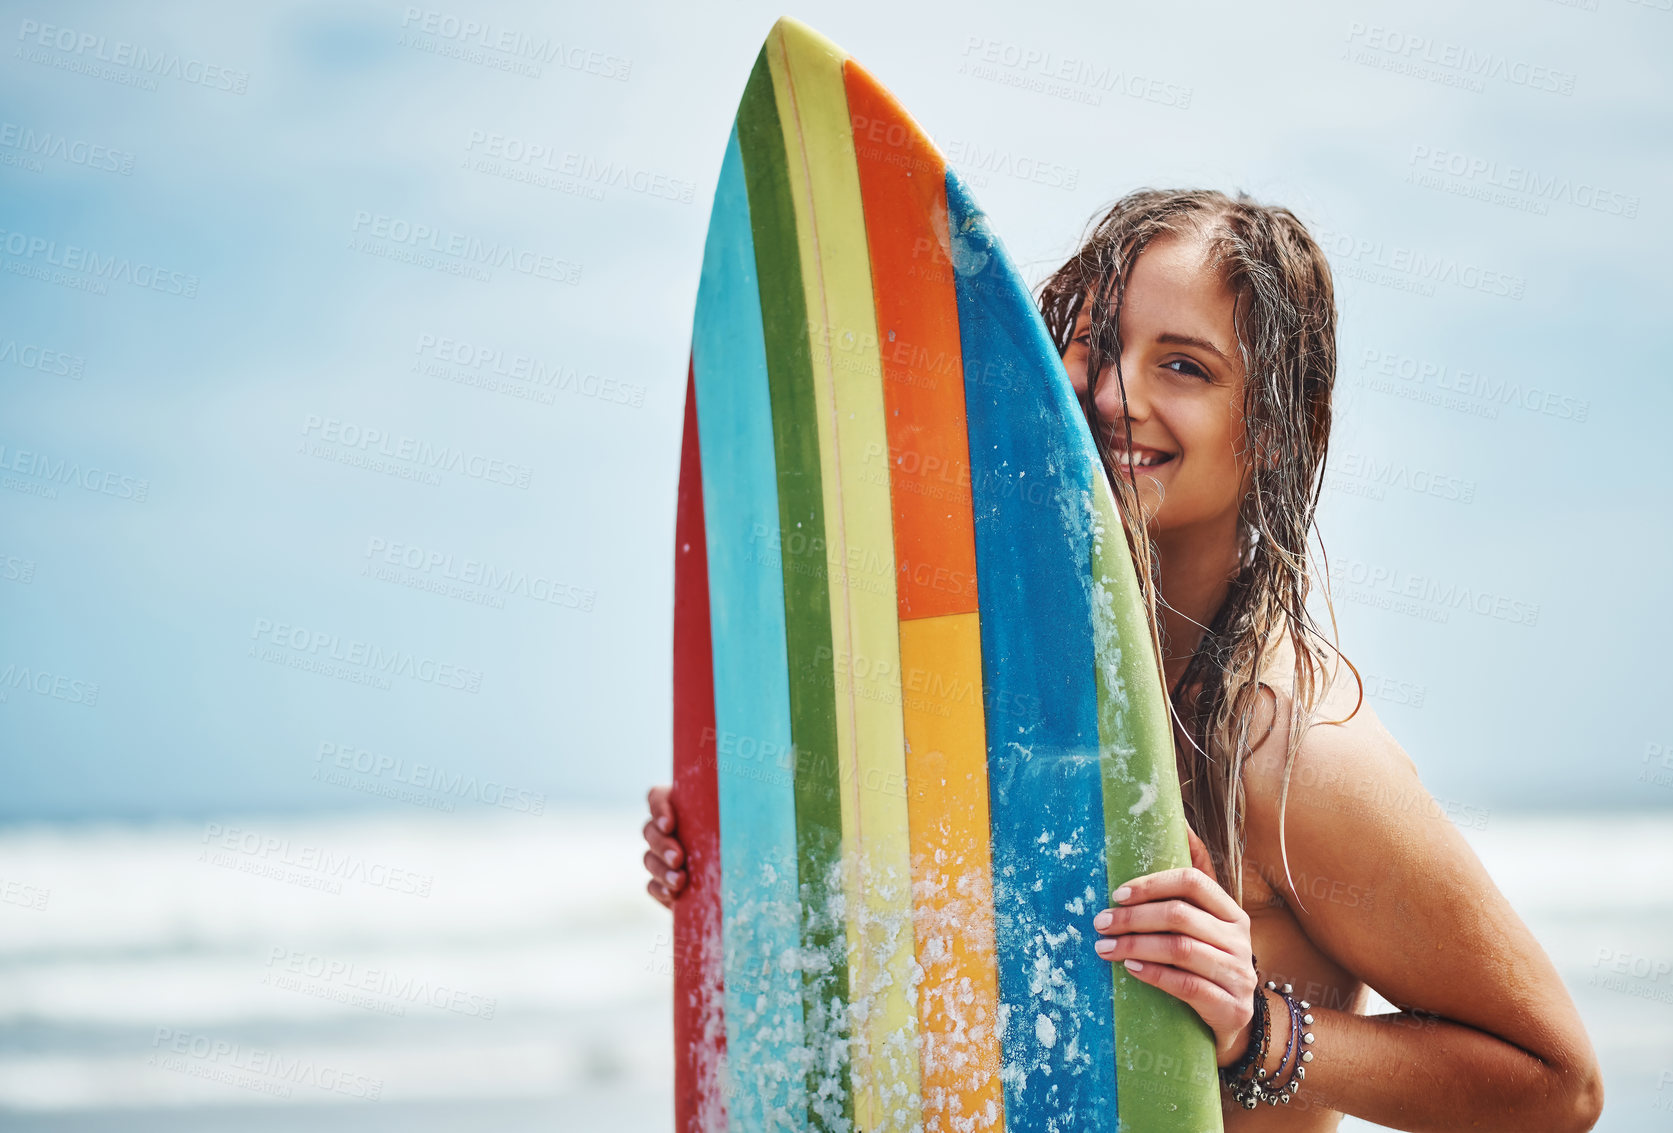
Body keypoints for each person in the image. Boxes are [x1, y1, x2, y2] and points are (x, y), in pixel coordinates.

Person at [642, 189, 1603, 1130]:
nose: (1113, 394)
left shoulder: (1289, 748)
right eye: (1097, 347)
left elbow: (1558, 1084)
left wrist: (1256, 1028)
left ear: (1272, 427)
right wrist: (746, 856)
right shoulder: (1036, 682)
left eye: (1183, 366)